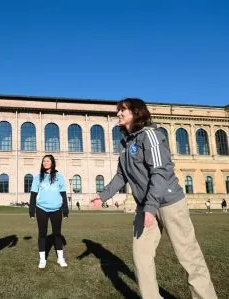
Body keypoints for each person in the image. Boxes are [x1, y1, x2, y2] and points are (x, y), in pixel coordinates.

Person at [91, 98, 217, 299]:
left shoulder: (150, 135)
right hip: (145, 207)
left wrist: (151, 206)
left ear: (136, 113)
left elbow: (160, 172)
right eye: (118, 111)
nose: (118, 114)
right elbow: (121, 176)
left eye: (122, 110)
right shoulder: (125, 142)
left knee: (189, 257)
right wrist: (103, 195)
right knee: (141, 257)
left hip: (169, 204)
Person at [29, 155, 69, 269]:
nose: (45, 163)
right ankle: (42, 260)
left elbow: (63, 194)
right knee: (42, 234)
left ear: (52, 162)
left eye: (47, 161)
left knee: (57, 233)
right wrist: (31, 211)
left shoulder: (59, 177)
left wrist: (65, 210)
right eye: (43, 161)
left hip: (56, 209)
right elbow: (33, 194)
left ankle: (60, 258)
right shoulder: (38, 177)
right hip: (41, 209)